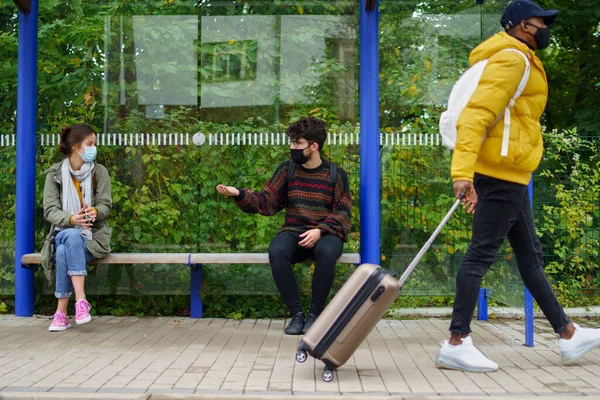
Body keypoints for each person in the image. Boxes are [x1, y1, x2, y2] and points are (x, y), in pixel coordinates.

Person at [435, 0, 600, 372]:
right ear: (525, 25)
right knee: (480, 254)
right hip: (502, 175)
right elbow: (477, 117)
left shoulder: (517, 57)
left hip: (509, 174)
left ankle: (567, 333)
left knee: (530, 257)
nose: (547, 28)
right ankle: (456, 341)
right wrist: (462, 173)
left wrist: (474, 172)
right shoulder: (513, 60)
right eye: (543, 22)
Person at [216, 117, 352, 335]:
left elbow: (343, 212)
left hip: (326, 233)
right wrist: (238, 194)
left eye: (297, 143)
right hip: (295, 230)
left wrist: (320, 231)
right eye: (292, 142)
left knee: (327, 252)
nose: (292, 147)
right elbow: (267, 200)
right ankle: (296, 314)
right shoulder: (287, 170)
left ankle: (315, 315)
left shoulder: (335, 174)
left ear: (314, 146)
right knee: (277, 251)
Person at [42, 124, 112, 332]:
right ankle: (80, 301)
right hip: (63, 233)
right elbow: (50, 211)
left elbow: (106, 205)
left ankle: (61, 313)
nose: (93, 148)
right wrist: (71, 219)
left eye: (94, 144)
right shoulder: (55, 174)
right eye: (89, 144)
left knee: (65, 249)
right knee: (70, 236)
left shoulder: (99, 172)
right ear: (74, 146)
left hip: (92, 239)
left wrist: (95, 212)